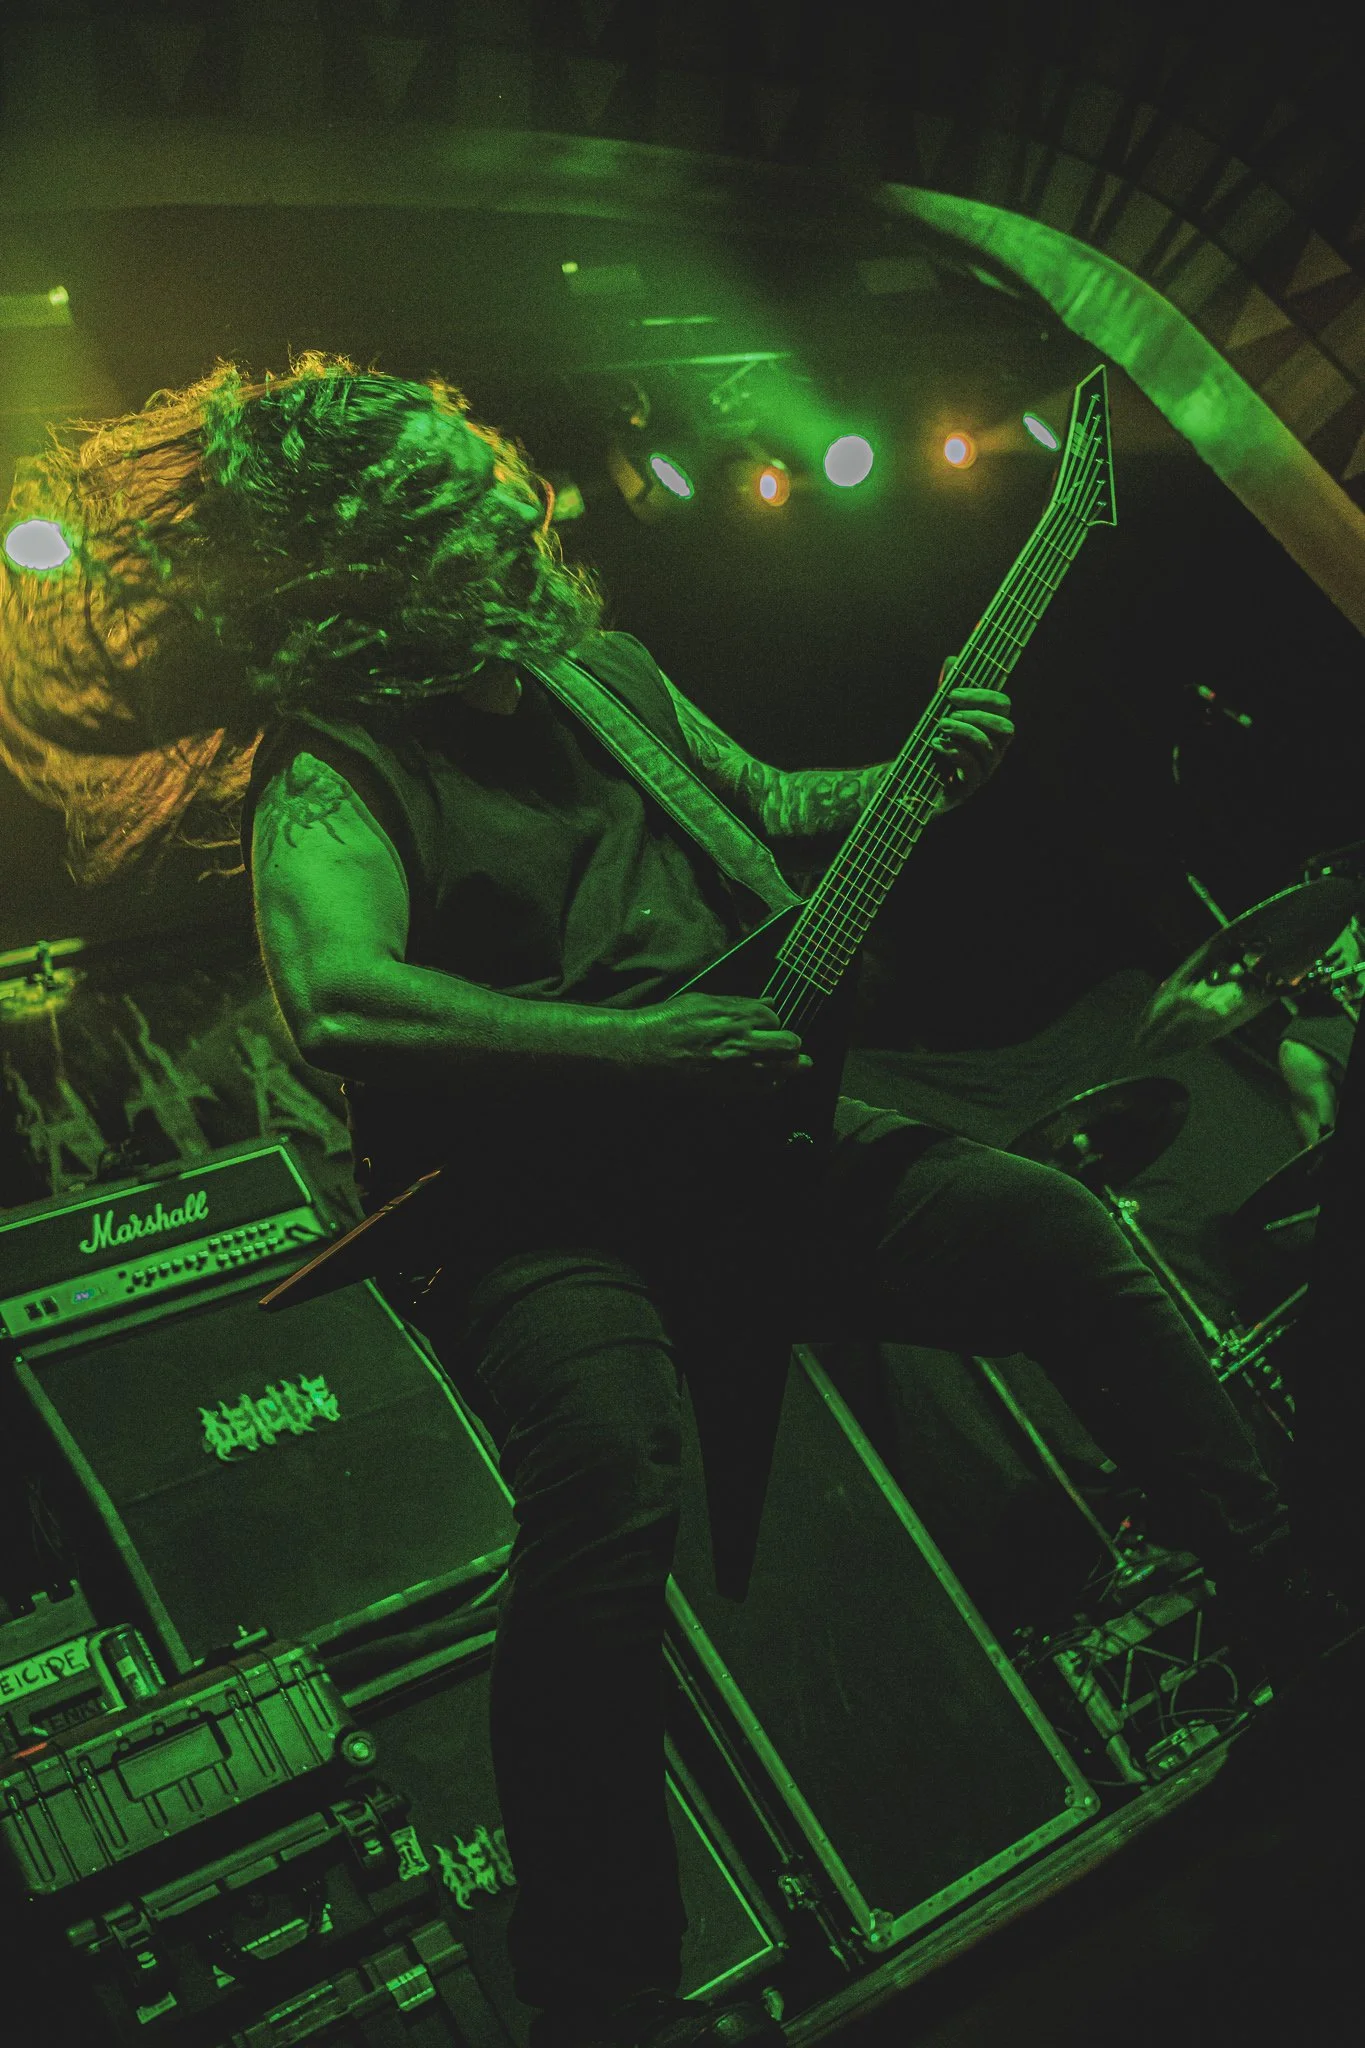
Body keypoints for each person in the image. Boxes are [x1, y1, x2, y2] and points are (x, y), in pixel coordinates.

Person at [0, 356, 1336, 2048]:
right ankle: (605, 1993)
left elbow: (763, 810)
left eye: (494, 477)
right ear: (369, 558)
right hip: (540, 1217)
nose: (514, 507)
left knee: (1059, 1236)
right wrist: (636, 1048)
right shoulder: (330, 772)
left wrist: (914, 773)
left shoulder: (603, 678)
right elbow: (337, 998)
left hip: (745, 1150)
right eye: (459, 497)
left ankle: (1312, 1632)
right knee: (608, 1501)